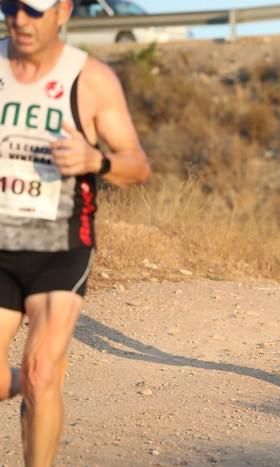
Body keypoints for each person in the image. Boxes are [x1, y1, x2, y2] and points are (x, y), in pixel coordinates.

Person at [0, 0, 151, 465]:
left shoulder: (91, 79)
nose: (20, 19)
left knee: (45, 371)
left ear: (63, 10)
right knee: (33, 375)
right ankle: (28, 381)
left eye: (33, 9)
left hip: (59, 244)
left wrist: (96, 161)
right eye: (9, 5)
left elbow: (137, 164)